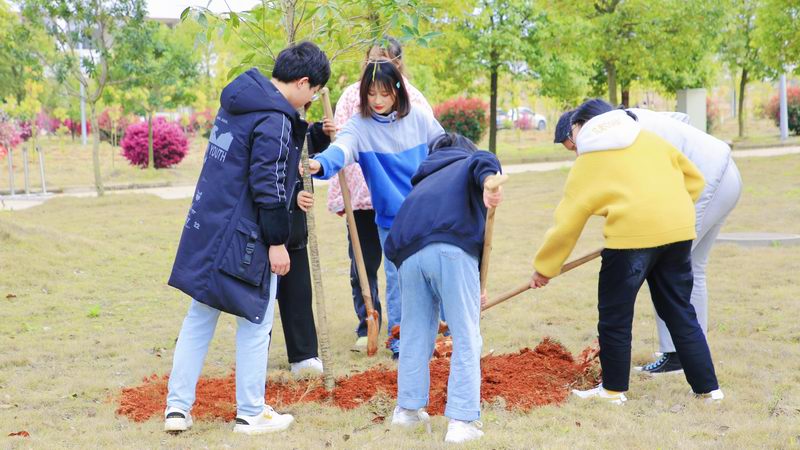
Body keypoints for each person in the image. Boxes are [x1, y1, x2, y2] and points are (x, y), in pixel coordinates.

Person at [164, 42, 330, 434]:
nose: (309, 101)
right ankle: (251, 412)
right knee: (256, 318)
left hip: (210, 223)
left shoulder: (240, 101)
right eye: (314, 93)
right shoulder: (273, 118)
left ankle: (177, 408)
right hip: (245, 235)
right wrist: (277, 242)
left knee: (200, 316)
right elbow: (267, 183)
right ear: (304, 83)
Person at [531, 98, 723, 404]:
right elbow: (695, 180)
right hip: (678, 232)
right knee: (680, 311)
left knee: (615, 316)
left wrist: (545, 268)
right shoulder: (649, 139)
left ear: (581, 127)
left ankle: (612, 390)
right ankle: (709, 389)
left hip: (629, 243)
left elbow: (567, 223)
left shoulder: (589, 161)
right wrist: (667, 213)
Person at [308, 60, 445, 359]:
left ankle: (446, 333)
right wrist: (320, 163)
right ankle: (400, 338)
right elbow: (341, 149)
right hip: (391, 219)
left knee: (436, 272)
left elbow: (445, 147)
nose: (378, 100)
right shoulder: (360, 126)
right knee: (398, 278)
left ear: (397, 90)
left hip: (427, 213)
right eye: (371, 94)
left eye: (384, 93)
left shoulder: (420, 119)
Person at [383, 133, 502, 443]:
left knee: (415, 334)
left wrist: (473, 283)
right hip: (451, 250)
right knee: (466, 335)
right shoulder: (467, 164)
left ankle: (407, 412)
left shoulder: (423, 181)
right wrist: (490, 182)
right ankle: (462, 421)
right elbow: (485, 160)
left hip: (407, 257)